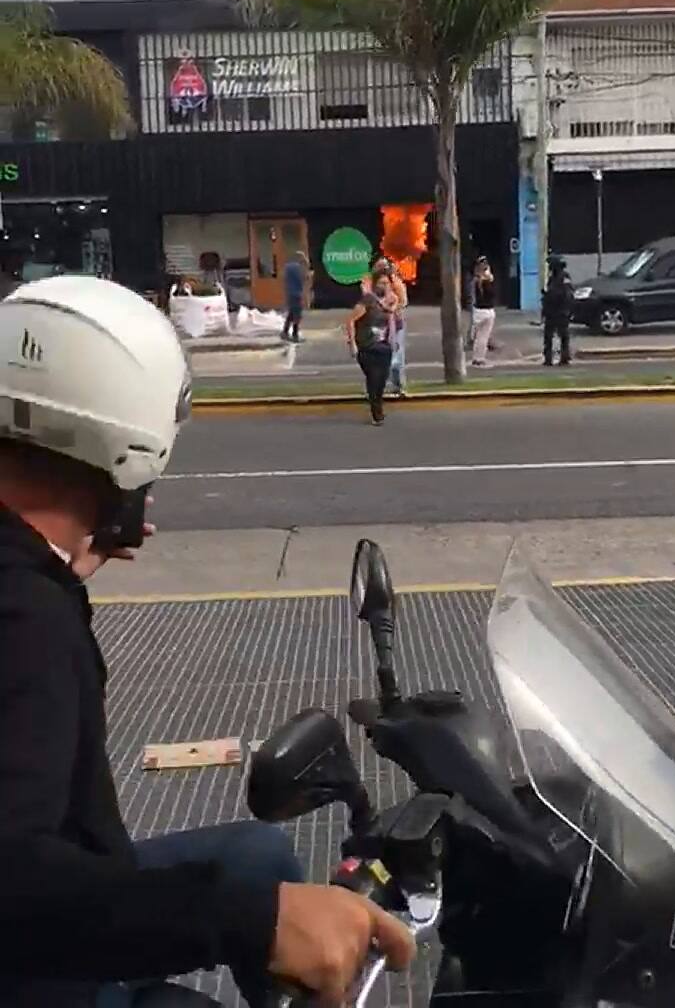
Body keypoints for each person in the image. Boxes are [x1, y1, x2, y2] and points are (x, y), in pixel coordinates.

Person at [0, 276, 414, 1008]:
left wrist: (61, 577)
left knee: (254, 855)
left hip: (66, 882)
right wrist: (249, 921)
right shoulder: (24, 618)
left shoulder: (29, 584)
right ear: (121, 444)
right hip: (41, 963)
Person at [347, 274, 397, 425]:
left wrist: (392, 341)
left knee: (382, 380)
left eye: (387, 283)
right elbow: (350, 321)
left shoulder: (387, 303)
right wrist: (352, 343)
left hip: (383, 347)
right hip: (367, 346)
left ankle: (377, 404)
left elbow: (390, 323)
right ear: (375, 285)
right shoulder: (368, 301)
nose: (384, 286)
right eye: (381, 283)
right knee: (374, 378)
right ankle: (377, 413)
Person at [362, 259, 408, 397]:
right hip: (375, 325)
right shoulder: (369, 283)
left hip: (395, 325)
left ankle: (398, 386)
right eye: (379, 266)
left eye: (385, 266)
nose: (382, 269)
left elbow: (403, 301)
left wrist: (390, 307)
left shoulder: (396, 283)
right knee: (373, 358)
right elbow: (366, 299)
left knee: (396, 358)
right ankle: (373, 388)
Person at [542, 255, 575, 367]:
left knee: (563, 335)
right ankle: (548, 358)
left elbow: (567, 295)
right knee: (548, 336)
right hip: (551, 311)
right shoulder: (552, 278)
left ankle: (564, 357)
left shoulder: (564, 277)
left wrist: (550, 295)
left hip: (561, 311)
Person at [470, 256, 496, 367]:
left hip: (478, 311)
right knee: (483, 337)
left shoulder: (475, 280)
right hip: (487, 311)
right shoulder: (486, 282)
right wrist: (490, 279)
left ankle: (476, 357)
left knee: (478, 337)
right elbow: (492, 294)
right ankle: (480, 358)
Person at [281, 251, 308, 344]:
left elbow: (284, 278)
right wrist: (306, 263)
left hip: (290, 293)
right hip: (297, 294)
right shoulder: (299, 268)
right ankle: (295, 334)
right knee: (297, 315)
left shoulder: (287, 267)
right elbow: (305, 278)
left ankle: (285, 332)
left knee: (291, 313)